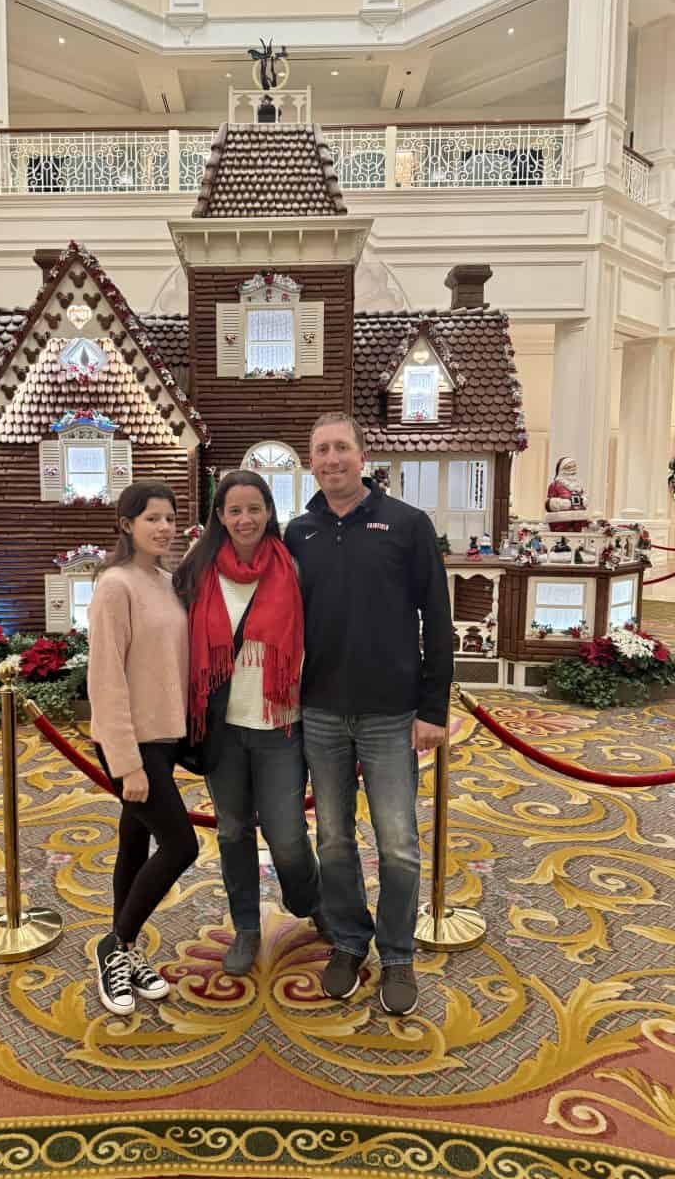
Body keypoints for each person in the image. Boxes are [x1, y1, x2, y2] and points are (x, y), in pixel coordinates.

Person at [284, 413, 454, 1016]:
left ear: (363, 455)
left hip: (390, 713)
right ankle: (351, 942)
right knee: (333, 840)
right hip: (321, 711)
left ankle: (399, 954)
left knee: (399, 844)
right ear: (311, 462)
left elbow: (437, 619)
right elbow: (278, 623)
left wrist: (434, 708)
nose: (332, 459)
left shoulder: (407, 524)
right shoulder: (296, 533)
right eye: (321, 450)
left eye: (341, 448)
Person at [174, 471, 327, 976]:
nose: (245, 519)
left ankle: (309, 901)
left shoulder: (295, 567)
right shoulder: (198, 570)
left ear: (269, 511)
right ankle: (246, 927)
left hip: (281, 724)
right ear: (219, 516)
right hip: (223, 727)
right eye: (234, 510)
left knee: (286, 835)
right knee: (233, 830)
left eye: (254, 508)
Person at [88, 480, 199, 1016]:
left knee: (133, 846)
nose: (163, 527)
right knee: (182, 847)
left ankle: (125, 950)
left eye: (170, 518)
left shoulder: (166, 580)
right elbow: (105, 679)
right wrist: (126, 761)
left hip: (164, 739)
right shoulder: (115, 586)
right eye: (151, 518)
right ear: (126, 524)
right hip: (131, 746)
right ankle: (113, 947)